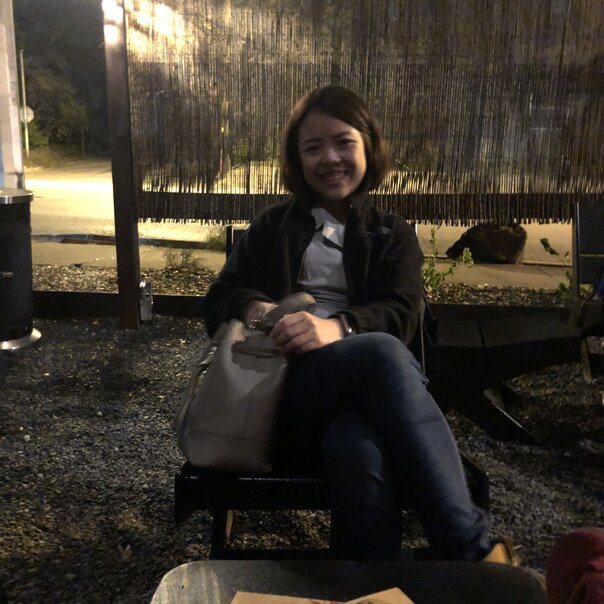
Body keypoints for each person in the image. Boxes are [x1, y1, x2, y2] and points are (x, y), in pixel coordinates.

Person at [202, 85, 514, 563]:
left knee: (360, 448)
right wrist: (261, 312)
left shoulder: (392, 234)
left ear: (368, 146)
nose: (330, 158)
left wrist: (338, 328)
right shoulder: (271, 228)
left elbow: (403, 310)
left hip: (366, 404)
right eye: (313, 147)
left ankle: (365, 587)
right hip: (281, 400)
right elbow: (219, 300)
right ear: (297, 160)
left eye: (343, 142)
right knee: (383, 352)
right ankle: (472, 550)